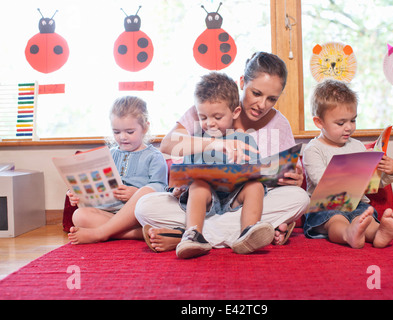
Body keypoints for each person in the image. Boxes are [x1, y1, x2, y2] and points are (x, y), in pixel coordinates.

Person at [136, 52, 310, 252]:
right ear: (243, 82)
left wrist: (292, 178)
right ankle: (247, 234)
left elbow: (278, 177)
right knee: (144, 207)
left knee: (299, 198)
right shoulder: (209, 106)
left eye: (272, 99)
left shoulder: (279, 124)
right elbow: (168, 145)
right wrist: (213, 144)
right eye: (256, 93)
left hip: (245, 203)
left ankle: (186, 235)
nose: (262, 105)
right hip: (203, 200)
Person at [174, 72, 272, 259]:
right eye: (203, 117)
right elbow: (185, 173)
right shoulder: (195, 141)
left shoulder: (244, 139)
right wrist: (179, 187)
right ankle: (193, 234)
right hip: (207, 199)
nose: (210, 123)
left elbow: (256, 172)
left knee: (255, 186)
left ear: (235, 112)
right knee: (197, 186)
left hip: (235, 196)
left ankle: (248, 232)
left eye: (217, 117)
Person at [302, 79, 393, 249]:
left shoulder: (356, 146)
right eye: (341, 123)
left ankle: (379, 232)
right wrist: (355, 173)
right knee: (336, 221)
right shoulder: (313, 150)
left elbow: (372, 184)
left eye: (353, 120)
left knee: (365, 218)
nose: (348, 127)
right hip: (326, 205)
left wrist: (388, 171)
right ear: (319, 122)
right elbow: (321, 181)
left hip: (356, 203)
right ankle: (347, 233)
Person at [67, 96, 167, 244]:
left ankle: (102, 233)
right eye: (117, 132)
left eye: (130, 132)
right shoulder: (110, 154)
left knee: (146, 193)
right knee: (78, 215)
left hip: (137, 215)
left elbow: (161, 188)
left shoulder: (154, 156)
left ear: (145, 128)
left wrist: (135, 193)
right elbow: (95, 181)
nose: (122, 137)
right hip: (108, 212)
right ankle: (134, 234)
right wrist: (77, 193)